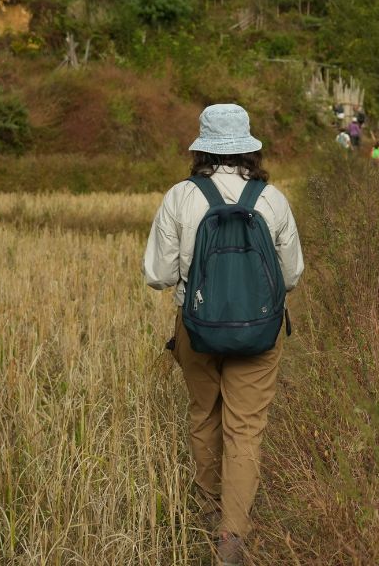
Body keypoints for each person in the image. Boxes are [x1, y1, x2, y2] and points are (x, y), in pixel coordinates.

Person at [144, 103, 304, 564]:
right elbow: (291, 275)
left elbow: (157, 273)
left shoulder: (181, 196)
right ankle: (231, 537)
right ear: (249, 149)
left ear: (202, 148)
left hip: (195, 329)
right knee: (245, 429)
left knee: (204, 416)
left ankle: (208, 509)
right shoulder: (271, 199)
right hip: (260, 332)